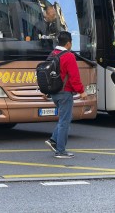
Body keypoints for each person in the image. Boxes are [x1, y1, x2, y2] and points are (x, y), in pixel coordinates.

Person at [45, 31, 83, 159]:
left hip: (54, 92)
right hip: (64, 92)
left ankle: (53, 140)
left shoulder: (53, 54)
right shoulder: (69, 56)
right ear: (68, 43)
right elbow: (74, 77)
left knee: (64, 119)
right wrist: (81, 91)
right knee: (64, 121)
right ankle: (60, 151)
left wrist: (46, 91)